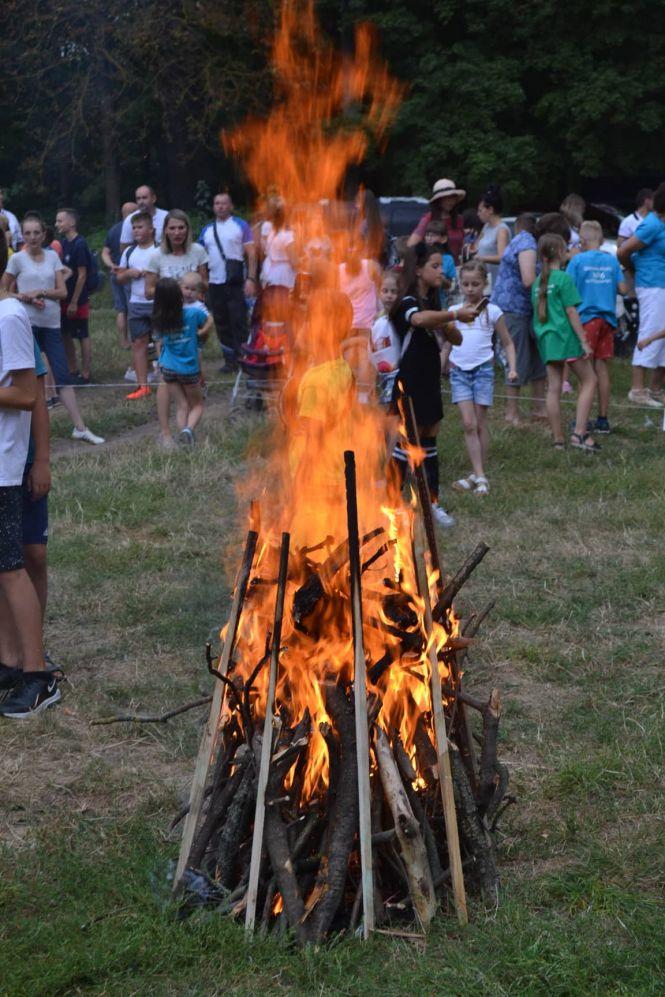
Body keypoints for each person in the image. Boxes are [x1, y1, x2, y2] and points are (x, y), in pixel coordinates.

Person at [0, 256, 59, 718]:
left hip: (13, 466)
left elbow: (31, 395)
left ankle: (36, 671)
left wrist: (42, 459)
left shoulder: (11, 318)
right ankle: (11, 659)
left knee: (20, 560)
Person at [389, 241, 476, 527]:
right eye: (435, 266)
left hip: (429, 379)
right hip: (409, 381)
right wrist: (452, 315)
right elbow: (418, 320)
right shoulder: (407, 302)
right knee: (406, 441)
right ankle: (387, 502)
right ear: (418, 271)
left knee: (429, 439)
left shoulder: (433, 304)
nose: (441, 271)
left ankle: (432, 504)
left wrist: (449, 323)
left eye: (442, 266)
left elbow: (457, 339)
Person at [1, 215, 104, 445]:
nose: (32, 237)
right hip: (27, 325)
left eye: (36, 233)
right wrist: (24, 298)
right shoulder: (16, 259)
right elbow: (4, 290)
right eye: (27, 233)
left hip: (51, 323)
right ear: (23, 236)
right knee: (33, 380)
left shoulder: (52, 257)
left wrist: (41, 293)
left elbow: (62, 292)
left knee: (62, 374)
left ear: (44, 234)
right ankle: (31, 435)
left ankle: (80, 427)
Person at [446, 261, 518, 495]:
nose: (470, 289)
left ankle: (478, 474)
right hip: (459, 372)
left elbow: (507, 341)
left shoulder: (493, 311)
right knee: (468, 424)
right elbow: (447, 343)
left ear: (485, 284)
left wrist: (512, 367)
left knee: (479, 423)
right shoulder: (455, 312)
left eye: (475, 284)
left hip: (483, 371)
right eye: (465, 284)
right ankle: (479, 475)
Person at [531, 234, 600, 452]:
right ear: (561, 253)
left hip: (547, 340)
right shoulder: (563, 278)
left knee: (553, 389)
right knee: (590, 380)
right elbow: (571, 312)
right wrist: (584, 341)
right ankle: (579, 433)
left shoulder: (537, 282)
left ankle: (558, 440)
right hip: (566, 338)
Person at [566, 220, 627, 433]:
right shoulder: (611, 261)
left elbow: (567, 289)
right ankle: (603, 419)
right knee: (602, 368)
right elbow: (623, 288)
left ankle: (581, 421)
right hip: (607, 321)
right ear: (601, 240)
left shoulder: (577, 261)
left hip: (586, 320)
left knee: (586, 373)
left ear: (582, 240)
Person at [490, 213, 546, 424]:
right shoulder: (526, 242)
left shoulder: (522, 240)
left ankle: (539, 409)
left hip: (528, 310)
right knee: (517, 359)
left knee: (537, 358)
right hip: (514, 309)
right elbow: (528, 279)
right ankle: (511, 413)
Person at [617, 181, 665, 408]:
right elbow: (624, 250)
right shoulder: (653, 224)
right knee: (651, 331)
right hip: (652, 284)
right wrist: (632, 271)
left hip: (662, 284)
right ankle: (637, 390)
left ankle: (655, 389)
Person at [198, 192, 256, 373]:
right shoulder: (207, 230)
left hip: (235, 282)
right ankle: (229, 360)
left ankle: (245, 358)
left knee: (239, 320)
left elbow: (252, 254)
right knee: (221, 321)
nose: (220, 207)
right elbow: (200, 257)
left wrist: (251, 279)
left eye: (224, 203)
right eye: (217, 203)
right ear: (213, 207)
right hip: (215, 283)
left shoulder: (240, 225)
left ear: (231, 206)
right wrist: (202, 282)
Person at [152, 278, 208, 449]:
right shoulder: (192, 314)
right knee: (197, 405)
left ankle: (183, 438)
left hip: (168, 368)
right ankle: (188, 430)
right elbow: (208, 320)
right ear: (180, 296)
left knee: (181, 405)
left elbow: (158, 341)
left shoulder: (159, 320)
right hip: (189, 369)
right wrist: (201, 333)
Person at [116, 211, 158, 400]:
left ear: (151, 229)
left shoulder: (159, 249)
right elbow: (119, 277)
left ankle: (167, 381)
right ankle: (143, 386)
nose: (136, 231)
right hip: (136, 303)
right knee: (139, 343)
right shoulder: (129, 252)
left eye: (140, 227)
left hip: (158, 304)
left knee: (160, 343)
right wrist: (129, 273)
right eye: (133, 228)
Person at [55, 207, 93, 384]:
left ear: (71, 222)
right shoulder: (62, 244)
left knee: (82, 334)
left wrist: (74, 301)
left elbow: (82, 274)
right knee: (65, 334)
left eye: (60, 221)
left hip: (78, 299)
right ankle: (73, 369)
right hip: (64, 297)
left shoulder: (80, 244)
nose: (57, 224)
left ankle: (85, 373)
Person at [144, 210, 208, 297]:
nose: (177, 233)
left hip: (192, 307)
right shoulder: (156, 255)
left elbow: (205, 285)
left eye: (181, 228)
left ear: (187, 229)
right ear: (165, 230)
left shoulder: (198, 250)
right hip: (168, 307)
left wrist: (193, 287)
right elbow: (148, 293)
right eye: (172, 228)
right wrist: (171, 289)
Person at [102, 201, 138, 349]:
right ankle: (135, 338)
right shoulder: (137, 229)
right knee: (133, 308)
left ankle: (123, 341)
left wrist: (111, 265)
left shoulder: (113, 230)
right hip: (130, 274)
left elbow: (105, 253)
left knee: (120, 309)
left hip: (115, 272)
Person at [408, 179, 466, 262]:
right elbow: (412, 244)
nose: (450, 201)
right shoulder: (428, 218)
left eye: (452, 197)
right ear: (438, 200)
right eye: (446, 198)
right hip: (434, 267)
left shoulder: (458, 219)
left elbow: (461, 245)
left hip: (454, 267)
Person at [369, 269, 400, 406]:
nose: (389, 296)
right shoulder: (377, 318)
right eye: (385, 291)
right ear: (378, 292)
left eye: (394, 292)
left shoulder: (400, 316)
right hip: (380, 371)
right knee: (382, 406)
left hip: (397, 370)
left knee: (393, 405)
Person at [472, 185, 511, 280]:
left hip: (496, 278)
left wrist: (482, 258)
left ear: (490, 210)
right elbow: (476, 246)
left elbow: (502, 257)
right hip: (484, 277)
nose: (478, 214)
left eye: (480, 210)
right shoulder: (486, 226)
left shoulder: (501, 230)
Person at [260, 196, 298, 292]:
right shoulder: (288, 235)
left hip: (270, 270)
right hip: (284, 274)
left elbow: (264, 249)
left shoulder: (272, 232)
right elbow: (295, 262)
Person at [119, 186, 168, 251]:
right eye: (138, 199)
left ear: (153, 198)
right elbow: (125, 247)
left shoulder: (166, 216)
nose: (141, 202)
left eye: (144, 198)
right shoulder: (130, 220)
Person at [423, 221, 457, 306]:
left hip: (442, 301)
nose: (429, 238)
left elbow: (452, 285)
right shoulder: (422, 256)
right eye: (427, 235)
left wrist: (442, 279)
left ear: (444, 239)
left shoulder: (448, 259)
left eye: (433, 235)